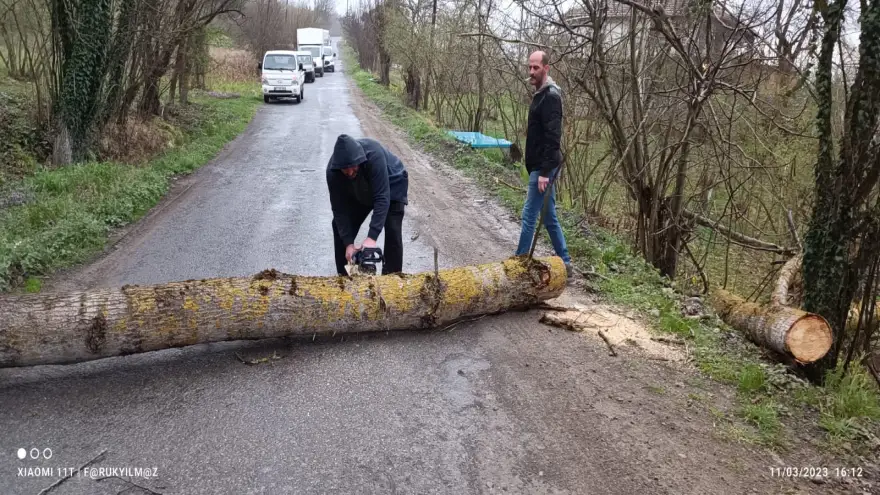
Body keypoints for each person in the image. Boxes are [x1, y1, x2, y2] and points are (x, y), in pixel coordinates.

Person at [515, 50, 573, 278]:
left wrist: (544, 173)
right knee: (548, 217)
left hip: (543, 167)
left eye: (536, 68)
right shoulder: (540, 94)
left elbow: (553, 137)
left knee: (529, 214)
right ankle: (566, 262)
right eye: (529, 67)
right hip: (541, 166)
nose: (531, 71)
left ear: (546, 68)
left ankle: (519, 263)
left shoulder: (551, 97)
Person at [327, 134, 409, 275]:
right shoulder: (333, 172)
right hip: (361, 189)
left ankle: (392, 279)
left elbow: (382, 198)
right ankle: (344, 278)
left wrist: (371, 238)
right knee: (339, 227)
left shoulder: (374, 155)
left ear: (359, 159)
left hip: (392, 183)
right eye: (345, 169)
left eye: (352, 167)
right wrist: (348, 244)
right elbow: (339, 210)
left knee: (393, 229)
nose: (350, 171)